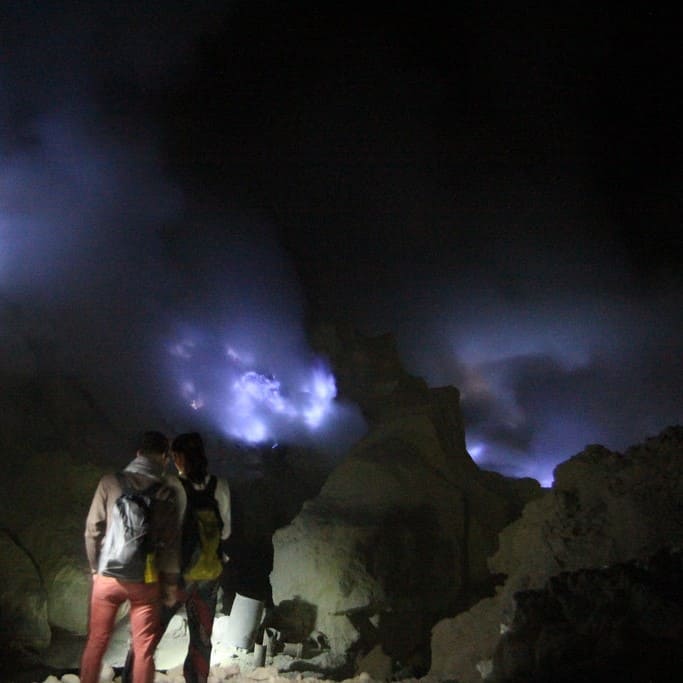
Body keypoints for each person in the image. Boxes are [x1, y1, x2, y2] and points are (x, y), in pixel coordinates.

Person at [123, 431, 231, 683]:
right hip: (209, 575)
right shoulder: (220, 485)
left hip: (178, 575)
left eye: (174, 457)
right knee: (201, 640)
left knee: (148, 634)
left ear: (180, 458)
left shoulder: (172, 485)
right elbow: (226, 532)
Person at [80, 430, 181, 683]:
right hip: (144, 580)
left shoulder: (109, 482)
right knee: (144, 648)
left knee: (96, 642)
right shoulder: (166, 492)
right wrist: (169, 584)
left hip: (108, 577)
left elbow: (92, 530)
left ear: (138, 454)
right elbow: (170, 546)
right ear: (164, 458)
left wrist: (95, 568)